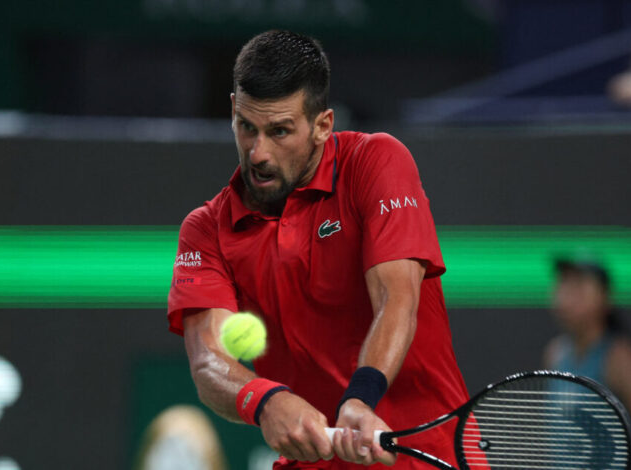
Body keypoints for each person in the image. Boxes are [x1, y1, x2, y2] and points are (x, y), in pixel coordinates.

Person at [166, 30, 469, 470]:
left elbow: (396, 298)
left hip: (429, 458)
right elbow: (208, 360)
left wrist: (361, 398)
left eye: (280, 131)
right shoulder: (205, 229)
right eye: (247, 127)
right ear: (233, 110)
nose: (258, 153)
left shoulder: (375, 162)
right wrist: (265, 401)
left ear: (323, 125)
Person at [543, 254, 631, 470]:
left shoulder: (620, 357)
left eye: (579, 285)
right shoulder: (555, 353)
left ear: (604, 297)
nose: (566, 294)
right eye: (563, 283)